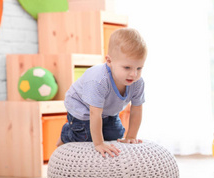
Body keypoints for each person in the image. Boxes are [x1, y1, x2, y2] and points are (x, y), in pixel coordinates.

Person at [57, 27, 147, 158]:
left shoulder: (137, 82)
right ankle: (67, 133)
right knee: (87, 137)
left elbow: (137, 109)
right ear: (109, 61)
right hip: (83, 108)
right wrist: (98, 143)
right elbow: (94, 113)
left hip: (107, 109)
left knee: (115, 135)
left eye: (139, 68)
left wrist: (131, 136)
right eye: (127, 67)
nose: (134, 74)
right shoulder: (98, 80)